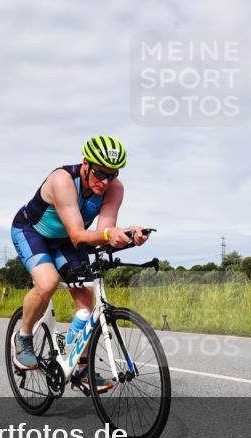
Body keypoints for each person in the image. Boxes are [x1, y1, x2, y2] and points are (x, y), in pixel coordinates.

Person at [10, 136, 148, 392]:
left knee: (86, 298)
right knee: (48, 282)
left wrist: (128, 235)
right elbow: (78, 235)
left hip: (65, 241)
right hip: (32, 232)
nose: (105, 181)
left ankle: (81, 370)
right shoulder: (62, 180)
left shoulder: (114, 189)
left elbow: (103, 234)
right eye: (100, 174)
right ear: (86, 164)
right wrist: (109, 234)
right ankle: (23, 337)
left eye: (112, 175)